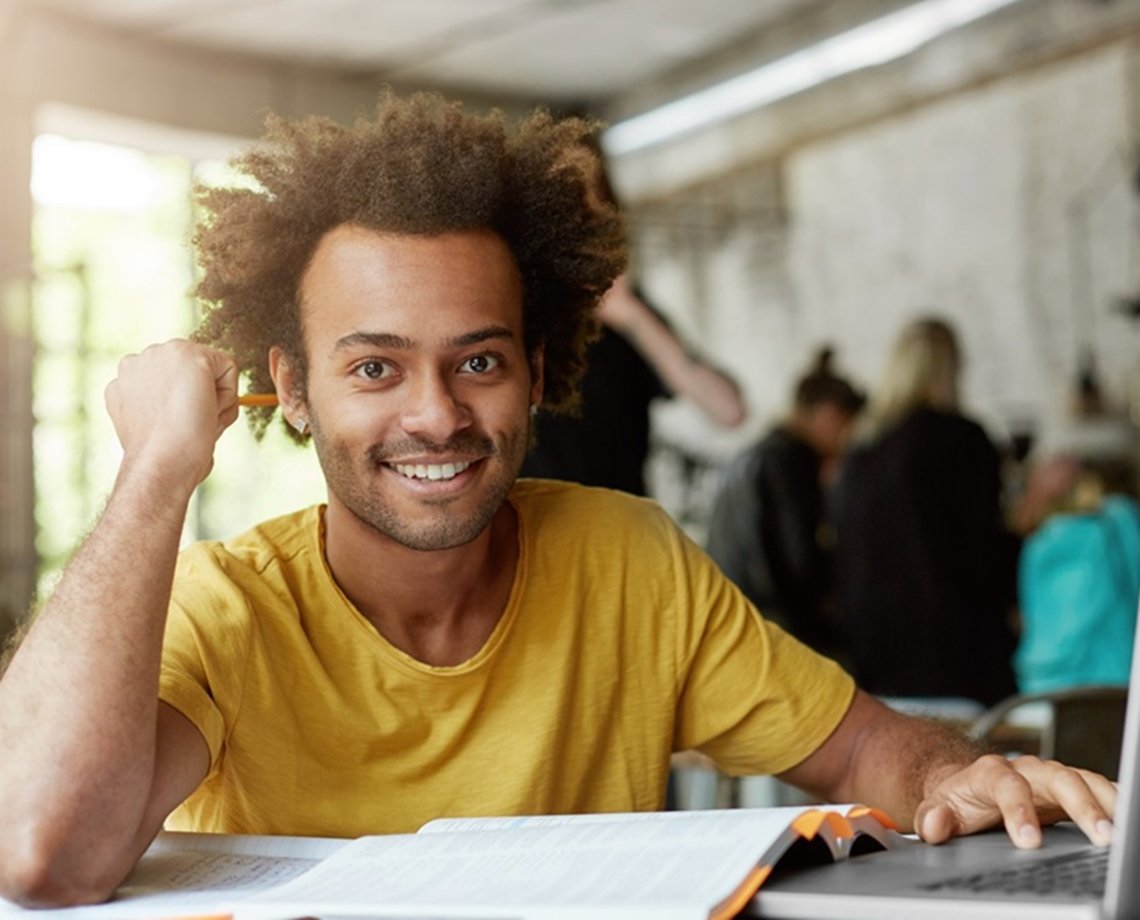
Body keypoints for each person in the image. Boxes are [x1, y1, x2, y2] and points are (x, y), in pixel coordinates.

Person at [0, 95, 1115, 909]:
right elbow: (39, 847)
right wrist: (155, 471)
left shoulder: (627, 558)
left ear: (538, 370)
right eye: (375, 368)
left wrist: (952, 772)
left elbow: (869, 746)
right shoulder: (224, 606)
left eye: (478, 362)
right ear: (288, 387)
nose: (436, 415)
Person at [832, 317, 1077, 706]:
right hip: (956, 661)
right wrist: (1038, 499)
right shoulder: (959, 438)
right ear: (951, 369)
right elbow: (988, 563)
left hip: (877, 664)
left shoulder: (859, 450)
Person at [520, 153, 745, 495]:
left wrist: (630, 314)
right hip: (528, 536)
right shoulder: (512, 309)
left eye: (591, 204)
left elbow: (728, 410)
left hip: (619, 536)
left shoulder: (630, 316)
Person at [705, 346, 864, 661]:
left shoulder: (755, 455)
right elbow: (800, 561)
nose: (848, 440)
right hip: (775, 628)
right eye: (847, 426)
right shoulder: (791, 460)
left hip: (738, 620)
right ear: (829, 414)